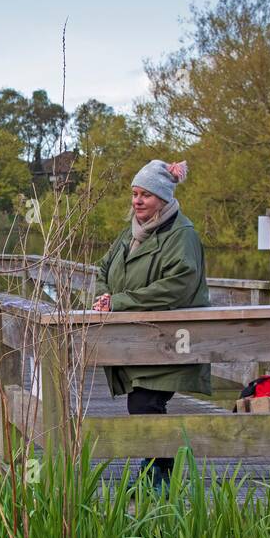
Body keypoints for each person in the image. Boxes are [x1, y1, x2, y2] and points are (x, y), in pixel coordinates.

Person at [92, 159, 210, 491]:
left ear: (163, 198)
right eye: (134, 193)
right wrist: (104, 296)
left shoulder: (181, 234)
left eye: (146, 195)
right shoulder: (129, 234)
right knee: (144, 404)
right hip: (137, 341)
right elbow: (103, 269)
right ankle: (154, 474)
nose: (137, 201)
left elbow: (179, 285)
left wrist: (121, 302)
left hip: (172, 339)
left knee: (145, 403)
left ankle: (159, 478)